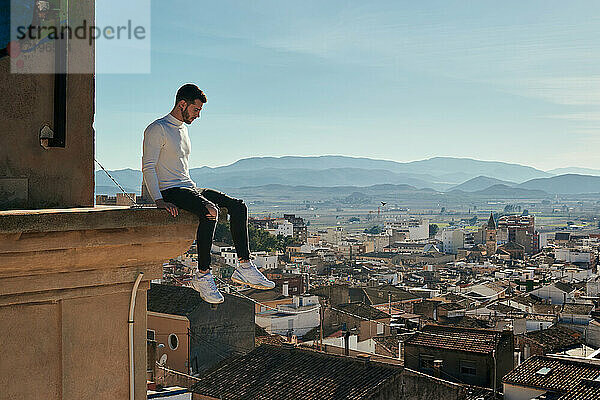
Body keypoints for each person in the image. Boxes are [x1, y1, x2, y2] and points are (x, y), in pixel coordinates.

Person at [142, 83, 275, 304]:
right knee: (210, 210)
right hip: (170, 190)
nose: (198, 116)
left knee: (238, 206)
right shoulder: (158, 129)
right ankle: (203, 274)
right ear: (182, 104)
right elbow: (148, 166)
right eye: (196, 110)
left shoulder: (182, 130)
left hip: (188, 186)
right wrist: (158, 199)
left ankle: (244, 266)